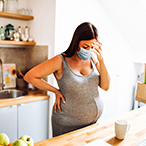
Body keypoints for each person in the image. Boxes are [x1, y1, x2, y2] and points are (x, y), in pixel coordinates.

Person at [24, 22, 110, 137]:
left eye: (92, 46)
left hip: (92, 125)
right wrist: (55, 90)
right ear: (76, 42)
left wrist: (102, 61)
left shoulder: (94, 58)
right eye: (85, 46)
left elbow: (106, 86)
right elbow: (30, 76)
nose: (88, 50)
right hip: (67, 126)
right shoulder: (60, 61)